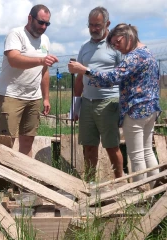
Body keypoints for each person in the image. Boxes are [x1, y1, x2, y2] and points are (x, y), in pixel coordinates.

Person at [68, 23, 161, 186]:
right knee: (147, 152)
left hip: (135, 111)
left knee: (137, 155)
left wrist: (86, 70)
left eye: (118, 42)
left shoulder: (133, 57)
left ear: (129, 37)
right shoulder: (148, 53)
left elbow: (113, 77)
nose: (117, 47)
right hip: (151, 109)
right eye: (114, 44)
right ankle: (156, 191)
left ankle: (141, 195)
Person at [0, 4, 59, 157]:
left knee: (27, 141)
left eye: (47, 24)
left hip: (33, 97)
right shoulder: (16, 34)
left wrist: (46, 98)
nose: (44, 26)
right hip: (11, 95)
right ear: (30, 18)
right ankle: (2, 180)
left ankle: (23, 179)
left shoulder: (45, 40)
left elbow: (44, 71)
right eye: (41, 22)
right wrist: (40, 60)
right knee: (6, 142)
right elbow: (13, 60)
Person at [73, 7, 124, 182]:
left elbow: (123, 77)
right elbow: (79, 79)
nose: (93, 29)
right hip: (87, 102)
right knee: (88, 146)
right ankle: (89, 184)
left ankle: (119, 182)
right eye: (91, 25)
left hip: (109, 102)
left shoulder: (116, 47)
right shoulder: (84, 48)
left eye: (98, 25)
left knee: (111, 146)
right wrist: (75, 107)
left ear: (107, 24)